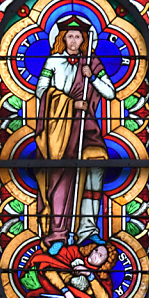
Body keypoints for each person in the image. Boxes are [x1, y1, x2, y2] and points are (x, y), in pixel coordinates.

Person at [35, 15, 116, 254]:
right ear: (62, 38)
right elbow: (41, 91)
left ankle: (87, 230)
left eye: (78, 36)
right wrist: (70, 104)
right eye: (69, 36)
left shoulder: (92, 63)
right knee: (62, 177)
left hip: (86, 126)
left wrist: (92, 76)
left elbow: (110, 93)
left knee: (95, 167)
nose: (73, 40)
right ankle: (59, 233)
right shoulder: (53, 61)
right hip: (59, 129)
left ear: (84, 40)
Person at [19, 240, 116, 298]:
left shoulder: (102, 276)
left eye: (100, 256)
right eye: (96, 250)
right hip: (55, 284)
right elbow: (48, 266)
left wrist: (90, 275)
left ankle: (52, 296)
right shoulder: (74, 252)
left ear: (106, 263)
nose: (95, 255)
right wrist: (66, 291)